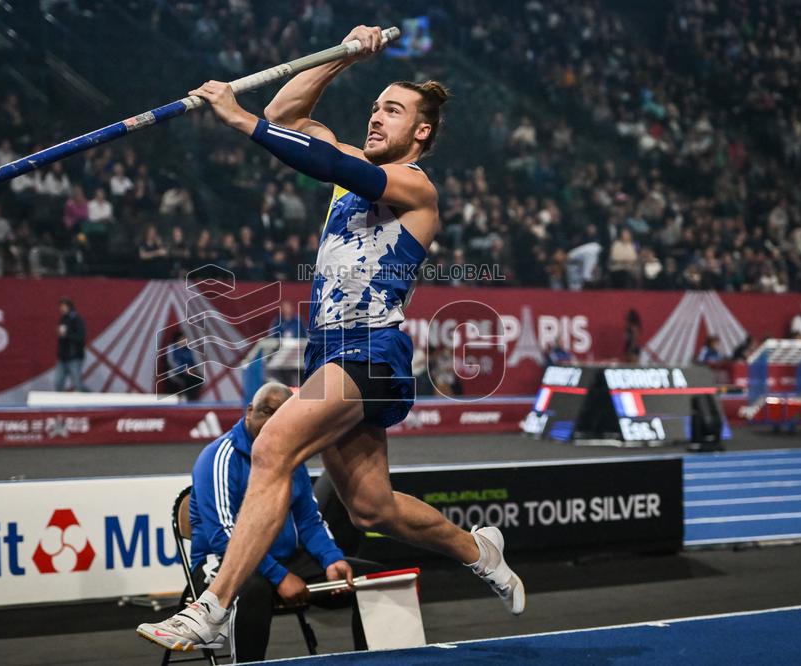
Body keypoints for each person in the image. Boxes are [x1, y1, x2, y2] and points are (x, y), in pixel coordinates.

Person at [137, 25, 524, 653]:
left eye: (392, 110)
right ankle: (476, 548)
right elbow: (285, 114)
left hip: (374, 350)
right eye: (374, 107)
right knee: (373, 510)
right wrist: (343, 58)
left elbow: (305, 148)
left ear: (420, 133)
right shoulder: (349, 168)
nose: (377, 117)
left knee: (273, 450)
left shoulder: (415, 186)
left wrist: (236, 122)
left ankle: (212, 607)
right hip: (329, 352)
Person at [180, 382, 373, 662]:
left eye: (281, 415)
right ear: (249, 412)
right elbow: (223, 536)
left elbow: (309, 521)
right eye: (265, 412)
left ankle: (376, 660)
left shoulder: (290, 457)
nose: (271, 422)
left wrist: (332, 559)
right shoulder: (218, 457)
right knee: (255, 590)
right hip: (222, 564)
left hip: (283, 560)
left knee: (371, 581)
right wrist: (280, 576)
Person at [55, 298, 89, 392]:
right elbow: (62, 338)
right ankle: (59, 405)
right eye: (60, 306)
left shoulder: (77, 319)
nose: (61, 308)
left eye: (63, 306)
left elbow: (80, 337)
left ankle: (92, 399)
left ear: (69, 307)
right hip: (62, 357)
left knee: (78, 384)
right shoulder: (62, 319)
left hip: (74, 357)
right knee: (58, 383)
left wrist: (67, 335)